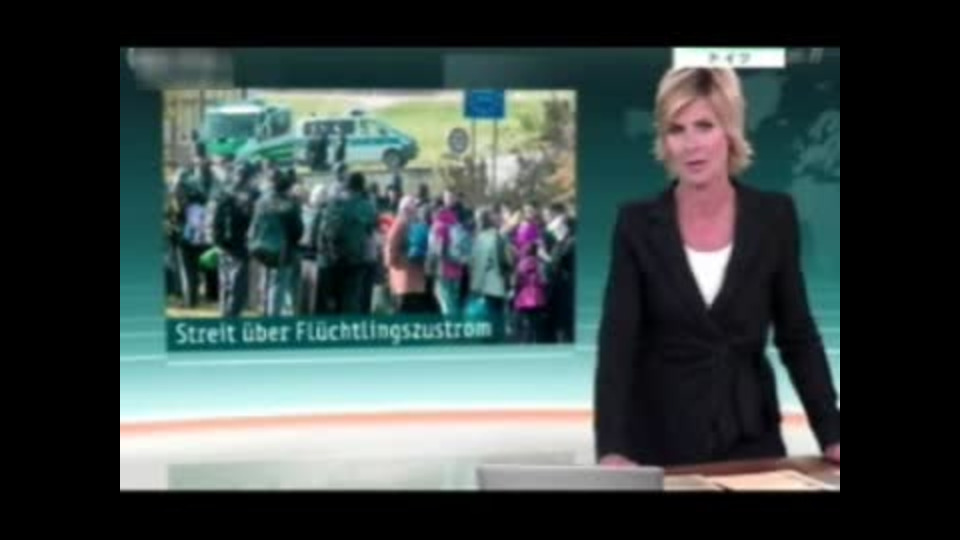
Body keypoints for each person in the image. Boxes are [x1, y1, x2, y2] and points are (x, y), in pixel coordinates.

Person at [594, 68, 840, 468]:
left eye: (704, 126)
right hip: (658, 441)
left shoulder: (774, 217)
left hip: (751, 438)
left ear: (730, 131)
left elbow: (797, 334)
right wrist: (611, 448)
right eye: (677, 130)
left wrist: (832, 432)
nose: (691, 144)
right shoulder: (636, 224)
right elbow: (618, 343)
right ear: (665, 142)